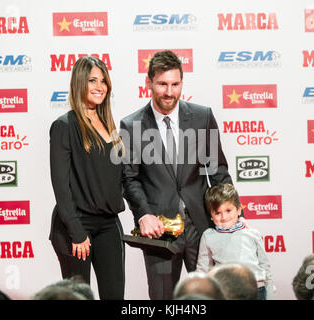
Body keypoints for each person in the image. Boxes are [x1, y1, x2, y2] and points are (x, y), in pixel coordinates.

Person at [120, 50, 238, 300]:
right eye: (162, 84)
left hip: (202, 225)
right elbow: (130, 178)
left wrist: (236, 214)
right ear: (148, 82)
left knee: (213, 296)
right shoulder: (131, 125)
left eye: (175, 84)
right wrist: (143, 214)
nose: (169, 92)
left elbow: (217, 171)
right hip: (160, 231)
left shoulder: (202, 116)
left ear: (182, 83)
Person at [49, 56, 125, 300]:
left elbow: (119, 179)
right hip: (77, 226)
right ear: (80, 82)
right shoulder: (64, 126)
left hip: (109, 225)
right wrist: (77, 232)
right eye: (93, 80)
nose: (99, 86)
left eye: (103, 81)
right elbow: (61, 185)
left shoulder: (110, 126)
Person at [196, 183, 274, 300]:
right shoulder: (208, 236)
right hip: (225, 292)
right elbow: (203, 270)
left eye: (228, 210)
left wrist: (270, 297)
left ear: (238, 210)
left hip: (256, 290)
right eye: (217, 213)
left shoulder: (252, 234)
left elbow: (265, 268)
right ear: (211, 216)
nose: (224, 217)